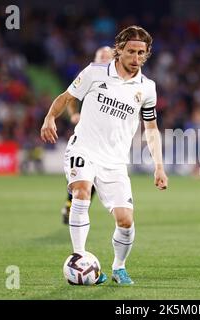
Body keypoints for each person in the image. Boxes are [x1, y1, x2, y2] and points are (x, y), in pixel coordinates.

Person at [41, 26, 168, 285]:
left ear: (147, 54)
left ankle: (119, 267)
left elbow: (151, 129)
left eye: (141, 53)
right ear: (119, 50)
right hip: (84, 148)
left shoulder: (147, 88)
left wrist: (159, 166)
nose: (135, 57)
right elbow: (67, 97)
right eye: (130, 51)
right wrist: (49, 118)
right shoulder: (95, 72)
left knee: (126, 220)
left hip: (115, 161)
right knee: (81, 192)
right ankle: (79, 257)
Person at [61, 46, 114, 224]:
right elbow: (71, 96)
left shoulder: (121, 80)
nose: (105, 60)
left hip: (109, 140)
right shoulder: (90, 75)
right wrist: (74, 114)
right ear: (95, 58)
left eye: (108, 57)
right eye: (102, 57)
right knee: (82, 173)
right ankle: (72, 206)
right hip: (88, 134)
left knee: (94, 177)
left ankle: (75, 206)